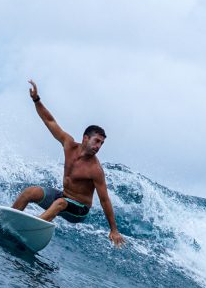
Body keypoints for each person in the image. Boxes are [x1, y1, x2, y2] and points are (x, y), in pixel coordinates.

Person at [12, 79, 125, 247]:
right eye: (96, 141)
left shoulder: (95, 169)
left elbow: (105, 200)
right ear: (85, 138)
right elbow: (50, 121)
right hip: (63, 197)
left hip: (79, 210)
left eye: (101, 143)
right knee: (30, 192)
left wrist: (113, 230)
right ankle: (10, 220)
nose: (98, 146)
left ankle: (30, 230)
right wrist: (36, 99)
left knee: (60, 203)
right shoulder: (69, 145)